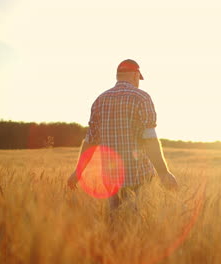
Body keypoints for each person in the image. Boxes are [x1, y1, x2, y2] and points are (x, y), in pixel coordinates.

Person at [67, 59, 178, 215]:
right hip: (139, 176)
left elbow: (90, 141)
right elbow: (150, 139)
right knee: (139, 222)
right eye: (138, 79)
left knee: (114, 221)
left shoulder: (99, 101)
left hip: (111, 178)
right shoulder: (142, 98)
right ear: (135, 75)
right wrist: (164, 173)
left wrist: (77, 172)